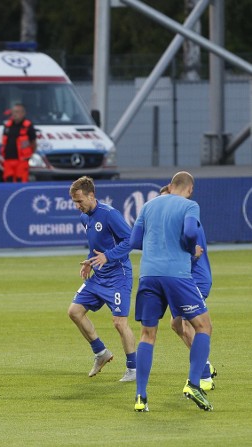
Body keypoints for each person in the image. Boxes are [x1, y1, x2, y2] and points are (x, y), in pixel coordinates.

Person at [129, 171, 213, 412]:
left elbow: (135, 241)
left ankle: (140, 397)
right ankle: (194, 383)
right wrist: (189, 250)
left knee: (147, 335)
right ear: (189, 189)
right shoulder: (189, 205)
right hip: (177, 275)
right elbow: (189, 233)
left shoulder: (148, 205)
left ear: (171, 185)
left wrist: (157, 246)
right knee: (203, 326)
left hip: (148, 275)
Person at [67, 176, 136, 382]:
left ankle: (133, 369)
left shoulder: (109, 214)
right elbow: (96, 246)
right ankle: (101, 353)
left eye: (80, 201)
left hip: (118, 276)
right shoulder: (85, 217)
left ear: (91, 196)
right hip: (99, 275)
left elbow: (130, 240)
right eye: (74, 202)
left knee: (119, 323)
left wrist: (108, 256)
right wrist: (90, 261)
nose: (77, 206)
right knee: (74, 312)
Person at [158, 185, 217, 391]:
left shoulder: (186, 220)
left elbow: (192, 254)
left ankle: (204, 376)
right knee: (176, 325)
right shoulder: (174, 221)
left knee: (194, 324)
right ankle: (205, 364)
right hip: (181, 281)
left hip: (195, 279)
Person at [0, 103, 36, 183]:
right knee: (8, 180)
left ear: (23, 113)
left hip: (22, 160)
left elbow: (33, 142)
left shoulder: (28, 126)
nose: (14, 114)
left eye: (17, 112)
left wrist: (29, 154)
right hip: (8, 160)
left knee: (21, 180)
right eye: (13, 112)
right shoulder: (7, 125)